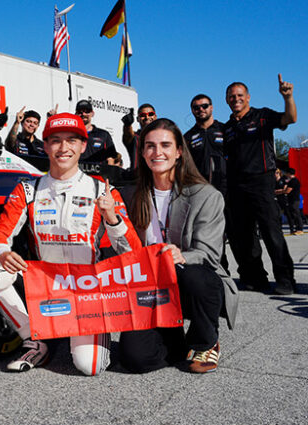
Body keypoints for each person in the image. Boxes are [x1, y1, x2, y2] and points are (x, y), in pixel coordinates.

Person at [0, 113, 142, 375]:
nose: (63, 148)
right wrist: (2, 252)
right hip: (44, 286)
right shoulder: (28, 189)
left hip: (87, 291)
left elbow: (133, 252)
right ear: (45, 146)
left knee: (89, 367)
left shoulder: (102, 190)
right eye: (55, 141)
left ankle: (73, 330)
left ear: (83, 146)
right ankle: (35, 339)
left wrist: (112, 218)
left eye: (71, 141)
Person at [117, 118, 238, 374]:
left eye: (165, 145)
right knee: (136, 359)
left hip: (190, 280)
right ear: (142, 152)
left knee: (195, 276)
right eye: (149, 146)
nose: (157, 152)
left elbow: (209, 255)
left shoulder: (206, 196)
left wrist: (179, 254)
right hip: (150, 286)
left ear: (179, 152)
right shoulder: (128, 195)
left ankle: (205, 341)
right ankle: (173, 339)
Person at [223, 75, 297, 295]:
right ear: (227, 100)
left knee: (272, 232)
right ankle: (255, 277)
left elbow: (290, 119)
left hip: (261, 181)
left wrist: (288, 97)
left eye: (239, 95)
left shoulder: (262, 116)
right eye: (231, 96)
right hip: (237, 185)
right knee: (244, 235)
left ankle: (285, 279)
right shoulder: (227, 128)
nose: (236, 99)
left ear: (248, 97)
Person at [183, 94, 226, 195]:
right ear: (192, 110)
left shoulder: (225, 129)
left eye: (205, 106)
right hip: (200, 187)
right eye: (196, 107)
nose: (201, 109)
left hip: (227, 187)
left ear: (211, 107)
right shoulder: (187, 137)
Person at [122, 104, 157, 170]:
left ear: (155, 117)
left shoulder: (163, 137)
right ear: (137, 119)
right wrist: (127, 124)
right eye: (142, 115)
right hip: (138, 178)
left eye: (150, 114)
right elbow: (128, 135)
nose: (147, 117)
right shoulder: (135, 137)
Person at [284, 168, 304, 235]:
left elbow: (287, 191)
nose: (286, 174)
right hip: (292, 200)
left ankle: (300, 229)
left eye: (286, 173)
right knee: (293, 214)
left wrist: (278, 192)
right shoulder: (291, 181)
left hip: (294, 200)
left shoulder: (294, 181)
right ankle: (297, 228)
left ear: (289, 173)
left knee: (296, 214)